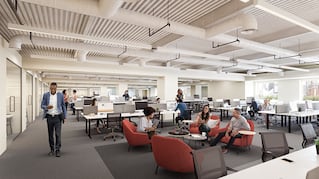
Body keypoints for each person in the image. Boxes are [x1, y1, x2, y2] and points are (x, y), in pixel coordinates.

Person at [41, 82, 66, 157]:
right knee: (50, 134)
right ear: (49, 88)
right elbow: (42, 105)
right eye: (51, 88)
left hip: (58, 117)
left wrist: (64, 116)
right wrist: (46, 107)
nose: (52, 90)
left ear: (56, 88)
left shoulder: (60, 95)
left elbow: (63, 105)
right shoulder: (46, 95)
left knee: (58, 134)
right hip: (49, 117)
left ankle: (58, 149)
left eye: (54, 88)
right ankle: (52, 149)